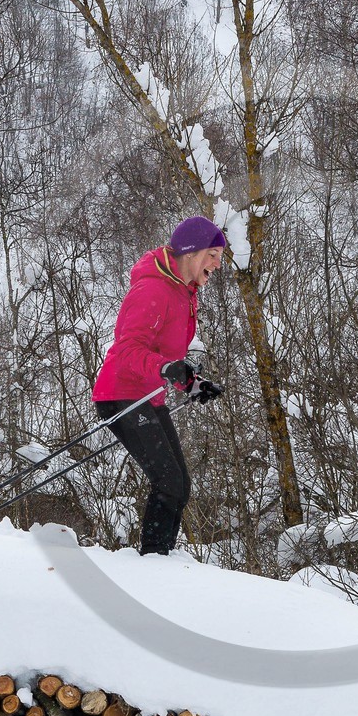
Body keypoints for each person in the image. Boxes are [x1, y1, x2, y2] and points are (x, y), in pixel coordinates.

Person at [92, 217, 226, 555]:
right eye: (212, 254)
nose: (217, 264)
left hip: (147, 396)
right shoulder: (154, 289)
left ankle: (159, 555)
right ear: (191, 252)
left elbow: (165, 359)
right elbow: (127, 350)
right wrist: (167, 367)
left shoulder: (184, 294)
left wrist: (192, 383)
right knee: (168, 482)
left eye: (220, 257)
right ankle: (153, 560)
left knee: (180, 483)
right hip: (121, 396)